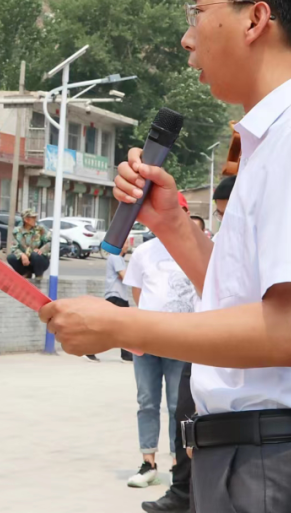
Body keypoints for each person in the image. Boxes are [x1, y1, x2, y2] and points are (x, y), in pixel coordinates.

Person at [40, 0, 291, 512]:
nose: (187, 37)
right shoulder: (284, 136)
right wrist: (173, 224)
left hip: (278, 467)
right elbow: (243, 304)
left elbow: (290, 331)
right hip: (262, 463)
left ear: (255, 19)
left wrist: (122, 326)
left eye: (198, 12)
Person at [144, 176, 235, 513]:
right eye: (220, 213)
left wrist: (121, 328)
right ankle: (182, 491)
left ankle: (193, 495)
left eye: (229, 212)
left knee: (200, 427)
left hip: (223, 345)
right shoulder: (221, 239)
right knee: (185, 421)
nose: (224, 218)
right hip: (199, 345)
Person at [122, 193, 198, 489]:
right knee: (147, 401)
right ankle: (148, 462)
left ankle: (179, 465)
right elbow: (138, 294)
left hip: (181, 339)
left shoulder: (194, 249)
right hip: (147, 339)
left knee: (179, 405)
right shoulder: (144, 252)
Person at [85, 244, 133, 364]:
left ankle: (126, 354)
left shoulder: (119, 257)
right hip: (115, 296)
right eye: (126, 243)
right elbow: (124, 276)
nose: (128, 245)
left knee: (122, 327)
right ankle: (89, 350)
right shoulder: (116, 256)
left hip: (119, 296)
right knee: (112, 327)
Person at [6, 210, 50, 279]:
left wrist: (42, 250)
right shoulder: (17, 231)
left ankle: (39, 276)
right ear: (26, 220)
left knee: (35, 255)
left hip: (39, 260)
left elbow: (50, 242)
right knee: (11, 257)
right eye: (33, 218)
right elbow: (14, 248)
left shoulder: (40, 229)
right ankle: (26, 273)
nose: (35, 219)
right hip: (25, 261)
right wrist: (22, 255)